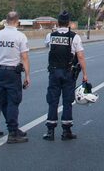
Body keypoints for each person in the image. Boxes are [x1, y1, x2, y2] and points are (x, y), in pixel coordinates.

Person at [43, 10, 88, 141]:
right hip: (68, 72)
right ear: (69, 22)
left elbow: (48, 47)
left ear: (58, 22)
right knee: (67, 101)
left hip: (54, 72)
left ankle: (50, 131)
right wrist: (85, 74)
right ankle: (66, 131)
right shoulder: (75, 37)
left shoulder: (50, 36)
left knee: (53, 101)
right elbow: (80, 57)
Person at [0, 11, 31, 144]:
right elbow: (24, 57)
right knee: (13, 102)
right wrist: (27, 76)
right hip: (13, 73)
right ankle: (13, 132)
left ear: (6, 20)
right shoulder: (20, 36)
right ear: (17, 21)